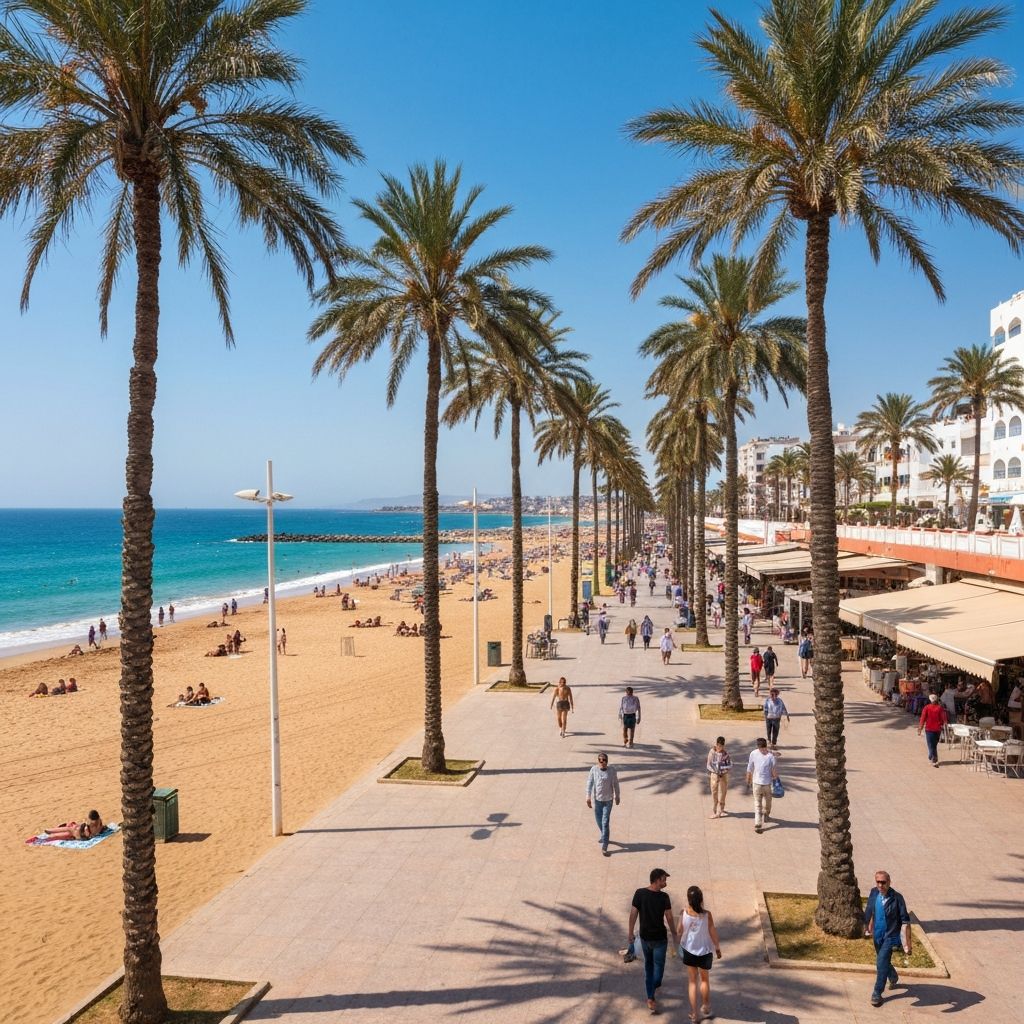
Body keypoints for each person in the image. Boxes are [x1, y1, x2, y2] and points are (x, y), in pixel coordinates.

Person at [628, 869, 678, 1016]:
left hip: (645, 938)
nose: (665, 882)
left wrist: (630, 932)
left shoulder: (639, 893)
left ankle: (650, 995)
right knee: (659, 966)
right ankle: (654, 988)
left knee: (649, 966)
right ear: (656, 880)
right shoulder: (664, 897)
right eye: (663, 879)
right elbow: (669, 917)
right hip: (660, 940)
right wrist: (674, 933)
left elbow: (633, 914)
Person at [863, 870, 911, 1007]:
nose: (880, 885)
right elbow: (870, 909)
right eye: (878, 882)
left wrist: (907, 943)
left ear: (889, 882)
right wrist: (866, 925)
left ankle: (877, 993)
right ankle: (893, 975)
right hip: (877, 934)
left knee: (881, 963)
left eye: (883, 882)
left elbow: (905, 920)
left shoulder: (897, 898)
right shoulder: (874, 892)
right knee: (882, 960)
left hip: (890, 936)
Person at [679, 884, 722, 1024]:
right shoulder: (707, 915)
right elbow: (712, 931)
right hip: (705, 951)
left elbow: (679, 931)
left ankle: (694, 1014)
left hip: (689, 950)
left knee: (692, 981)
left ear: (689, 900)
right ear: (701, 899)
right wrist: (717, 948)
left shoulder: (684, 913)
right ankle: (706, 1006)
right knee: (704, 980)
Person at [585, 752, 620, 856]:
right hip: (597, 800)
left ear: (607, 761)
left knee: (605, 822)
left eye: (604, 760)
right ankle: (604, 834)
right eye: (600, 760)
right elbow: (589, 783)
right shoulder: (594, 769)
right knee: (598, 820)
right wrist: (588, 797)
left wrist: (617, 796)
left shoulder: (612, 770)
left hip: (608, 801)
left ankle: (605, 845)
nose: (602, 762)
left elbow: (616, 783)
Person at [746, 737, 779, 834]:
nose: (762, 750)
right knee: (759, 804)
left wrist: (775, 778)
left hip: (764, 784)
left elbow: (773, 770)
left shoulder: (769, 756)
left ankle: (765, 815)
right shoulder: (756, 754)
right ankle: (758, 822)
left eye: (762, 748)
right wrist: (748, 779)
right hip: (759, 783)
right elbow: (750, 767)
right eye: (761, 748)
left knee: (765, 803)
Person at [917, 693, 948, 766]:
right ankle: (934, 758)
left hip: (929, 729)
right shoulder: (940, 708)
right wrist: (945, 725)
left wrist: (920, 729)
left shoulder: (927, 708)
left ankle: (932, 756)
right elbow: (944, 718)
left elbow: (922, 719)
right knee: (934, 745)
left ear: (930, 700)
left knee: (930, 745)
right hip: (938, 730)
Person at [706, 736, 731, 818]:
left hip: (723, 774)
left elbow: (729, 764)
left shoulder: (725, 754)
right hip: (714, 774)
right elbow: (708, 765)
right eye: (719, 746)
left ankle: (721, 809)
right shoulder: (712, 752)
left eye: (722, 746)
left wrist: (725, 769)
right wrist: (715, 771)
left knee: (723, 791)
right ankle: (715, 808)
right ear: (716, 744)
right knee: (714, 791)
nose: (720, 748)